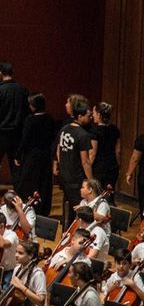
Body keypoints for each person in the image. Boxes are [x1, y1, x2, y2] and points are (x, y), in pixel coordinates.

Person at [0, 61, 28, 201]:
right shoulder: (23, 90)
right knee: (16, 169)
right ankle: (20, 199)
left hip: (0, 134)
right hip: (17, 135)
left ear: (0, 73)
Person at [55, 97, 93, 227]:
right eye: (88, 116)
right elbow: (85, 161)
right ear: (80, 116)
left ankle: (66, 234)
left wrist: (62, 166)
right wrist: (91, 180)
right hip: (76, 179)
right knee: (80, 210)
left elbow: (58, 152)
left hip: (64, 176)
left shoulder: (64, 129)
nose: (90, 118)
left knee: (67, 209)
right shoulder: (83, 135)